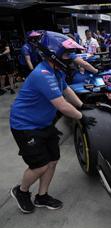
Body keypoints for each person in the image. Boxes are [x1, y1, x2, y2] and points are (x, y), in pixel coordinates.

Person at [10, 31, 97, 214]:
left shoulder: (56, 71)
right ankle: (21, 191)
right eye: (67, 54)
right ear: (52, 53)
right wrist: (81, 117)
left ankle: (42, 196)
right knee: (39, 165)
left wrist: (83, 106)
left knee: (53, 160)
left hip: (44, 124)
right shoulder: (42, 74)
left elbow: (67, 91)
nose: (70, 58)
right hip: (25, 126)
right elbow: (62, 106)